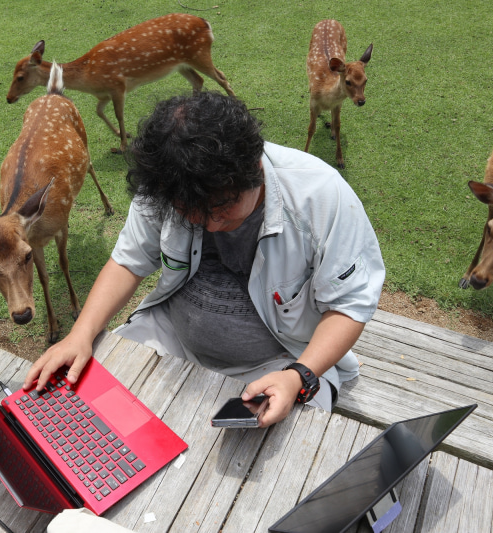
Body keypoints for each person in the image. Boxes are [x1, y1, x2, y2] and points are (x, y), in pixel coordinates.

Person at [25, 91, 385, 427]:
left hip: (283, 361)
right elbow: (129, 261)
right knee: (78, 415)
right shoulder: (167, 183)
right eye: (189, 212)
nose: (211, 224)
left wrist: (298, 376)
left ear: (256, 170)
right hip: (169, 338)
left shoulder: (321, 196)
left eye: (223, 207)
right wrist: (80, 334)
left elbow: (349, 305)